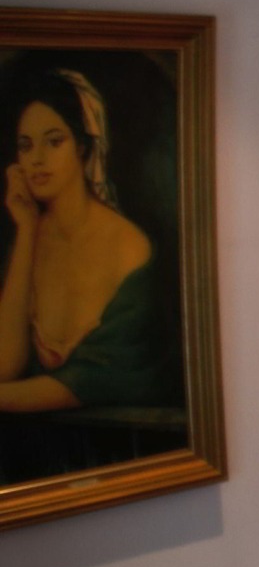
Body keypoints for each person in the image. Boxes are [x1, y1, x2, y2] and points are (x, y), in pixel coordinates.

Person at [0, 68, 169, 415]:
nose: (37, 159)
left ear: (82, 145)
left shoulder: (129, 246)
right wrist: (27, 230)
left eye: (54, 141)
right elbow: (4, 366)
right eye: (25, 146)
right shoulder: (25, 244)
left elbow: (101, 379)